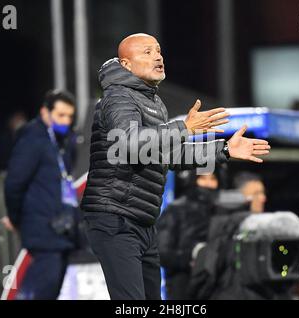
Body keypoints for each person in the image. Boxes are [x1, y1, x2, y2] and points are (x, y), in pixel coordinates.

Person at [81, 33, 271, 300]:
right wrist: (184, 127)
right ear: (126, 65)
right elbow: (130, 145)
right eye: (147, 52)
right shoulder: (118, 97)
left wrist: (224, 149)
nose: (157, 56)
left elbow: (170, 155)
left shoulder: (154, 103)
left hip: (142, 221)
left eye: (158, 51)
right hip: (115, 217)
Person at [3, 90, 81, 299]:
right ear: (45, 113)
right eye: (60, 115)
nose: (66, 121)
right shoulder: (32, 139)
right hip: (43, 228)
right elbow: (14, 184)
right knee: (43, 288)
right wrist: (16, 218)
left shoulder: (63, 142)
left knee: (51, 288)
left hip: (61, 228)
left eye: (69, 116)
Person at [157, 172, 220, 299]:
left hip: (216, 285)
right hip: (182, 285)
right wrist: (194, 257)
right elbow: (161, 252)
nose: (208, 183)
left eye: (213, 178)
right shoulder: (175, 209)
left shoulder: (223, 211)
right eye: (203, 178)